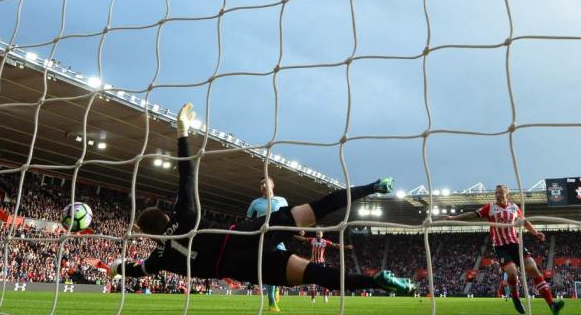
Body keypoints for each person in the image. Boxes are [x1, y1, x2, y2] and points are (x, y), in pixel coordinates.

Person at [101, 103, 415, 298]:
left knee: (316, 275)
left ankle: (374, 281)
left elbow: (138, 270)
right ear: (165, 218)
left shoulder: (160, 259)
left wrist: (117, 268)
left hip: (244, 265)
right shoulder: (183, 215)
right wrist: (183, 133)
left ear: (147, 233)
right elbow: (187, 176)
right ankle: (371, 186)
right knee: (319, 207)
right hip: (249, 232)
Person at [446, 184, 564, 315]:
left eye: (500, 192)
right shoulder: (489, 207)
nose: (497, 195)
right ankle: (515, 297)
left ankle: (552, 304)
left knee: (533, 268)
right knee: (512, 273)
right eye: (496, 193)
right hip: (501, 247)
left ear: (506, 194)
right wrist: (454, 218)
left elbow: (523, 221)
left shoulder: (514, 207)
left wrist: (535, 233)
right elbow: (473, 215)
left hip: (516, 245)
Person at [247, 176, 288, 312]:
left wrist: (299, 228)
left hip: (278, 237)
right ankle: (271, 300)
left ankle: (275, 288)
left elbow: (289, 217)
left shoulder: (281, 200)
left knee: (283, 264)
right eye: (261, 184)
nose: (263, 185)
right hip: (263, 238)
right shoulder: (255, 203)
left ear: (273, 185)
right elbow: (247, 220)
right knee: (269, 266)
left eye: (266, 183)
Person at [294, 230, 353, 303]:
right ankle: (313, 298)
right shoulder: (312, 240)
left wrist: (346, 246)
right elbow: (304, 239)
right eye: (317, 234)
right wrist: (294, 235)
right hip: (313, 263)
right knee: (312, 281)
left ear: (322, 235)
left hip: (321, 263)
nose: (318, 235)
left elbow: (336, 245)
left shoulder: (325, 242)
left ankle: (325, 296)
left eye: (319, 234)